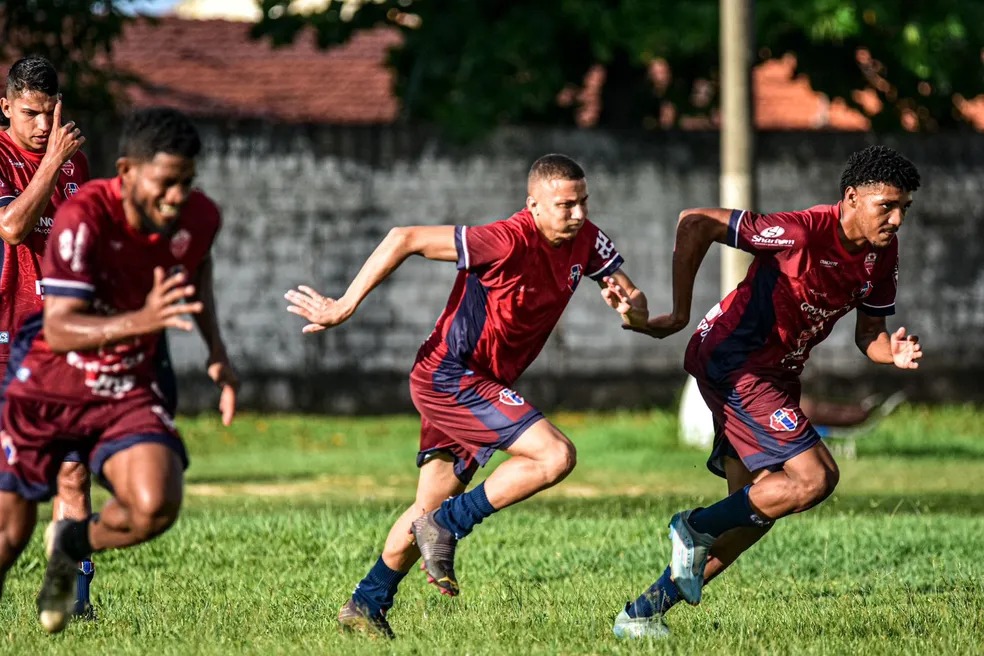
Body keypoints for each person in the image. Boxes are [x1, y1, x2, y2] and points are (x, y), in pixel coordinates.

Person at [285, 154, 650, 638]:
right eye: (565, 205)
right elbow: (404, 237)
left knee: (424, 512)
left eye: (583, 201)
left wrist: (633, 310)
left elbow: (633, 299)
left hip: (480, 384)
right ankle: (450, 525)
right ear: (534, 205)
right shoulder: (505, 238)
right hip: (449, 375)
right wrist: (344, 306)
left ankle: (366, 604)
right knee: (554, 455)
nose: (579, 214)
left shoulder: (586, 237)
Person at [612, 145, 922, 638]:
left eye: (904, 207)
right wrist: (677, 311)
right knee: (814, 477)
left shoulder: (881, 255)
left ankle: (642, 614)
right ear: (851, 198)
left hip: (775, 374)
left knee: (758, 510)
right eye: (887, 205)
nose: (897, 218)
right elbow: (697, 221)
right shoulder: (802, 231)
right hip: (734, 361)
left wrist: (894, 352)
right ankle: (693, 526)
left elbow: (870, 336)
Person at [0, 106, 238, 634]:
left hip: (128, 382)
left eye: (187, 183)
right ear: (127, 172)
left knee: (155, 506)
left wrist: (216, 350)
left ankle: (72, 541)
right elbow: (59, 329)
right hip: (52, 379)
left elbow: (197, 263)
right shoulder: (83, 215)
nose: (178, 197)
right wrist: (144, 319)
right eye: (166, 183)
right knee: (9, 532)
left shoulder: (199, 216)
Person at [0, 55, 98, 617]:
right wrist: (51, 162)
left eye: (51, 113)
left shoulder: (75, 163)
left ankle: (72, 597)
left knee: (73, 469)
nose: (42, 125)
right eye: (31, 113)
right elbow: (13, 227)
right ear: (7, 107)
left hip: (56, 342)